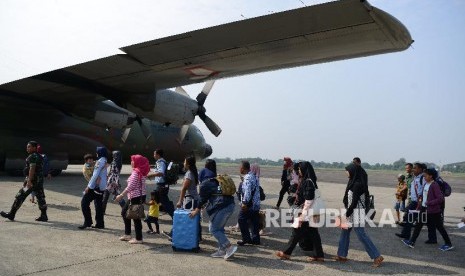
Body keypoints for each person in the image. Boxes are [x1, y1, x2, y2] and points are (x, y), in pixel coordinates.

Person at [334, 163, 384, 267]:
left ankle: (377, 256)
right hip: (352, 212)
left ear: (353, 171)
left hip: (356, 213)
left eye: (347, 170)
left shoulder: (357, 184)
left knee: (361, 235)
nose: (346, 172)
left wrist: (346, 214)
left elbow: (354, 202)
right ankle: (341, 255)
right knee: (345, 232)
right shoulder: (353, 182)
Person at [276, 161, 324, 262]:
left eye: (299, 169)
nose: (298, 171)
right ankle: (319, 255)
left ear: (304, 169)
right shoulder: (310, 180)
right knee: (313, 233)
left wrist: (303, 214)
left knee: (296, 232)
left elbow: (308, 200)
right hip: (311, 213)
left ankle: (286, 253)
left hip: (306, 212)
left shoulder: (308, 181)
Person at [190, 159, 238, 260]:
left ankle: (229, 247)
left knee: (214, 229)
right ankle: (221, 250)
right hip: (229, 205)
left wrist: (196, 211)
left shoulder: (205, 183)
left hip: (222, 207)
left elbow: (202, 199)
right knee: (219, 229)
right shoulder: (217, 179)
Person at [402, 169, 454, 251]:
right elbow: (424, 196)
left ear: (431, 176)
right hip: (424, 209)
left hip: (433, 211)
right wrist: (420, 204)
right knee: (418, 225)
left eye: (425, 175)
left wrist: (429, 202)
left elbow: (440, 198)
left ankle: (448, 244)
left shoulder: (434, 185)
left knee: (440, 227)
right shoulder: (426, 184)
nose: (424, 177)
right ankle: (412, 242)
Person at [1, 141, 48, 222]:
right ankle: (44, 216)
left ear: (34, 148)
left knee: (20, 196)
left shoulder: (32, 156)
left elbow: (32, 169)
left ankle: (11, 214)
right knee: (40, 197)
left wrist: (28, 181)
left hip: (32, 181)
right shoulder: (39, 156)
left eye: (29, 147)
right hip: (39, 181)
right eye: (27, 147)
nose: (27, 148)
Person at [115, 154, 150, 244]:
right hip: (138, 196)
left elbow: (131, 186)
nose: (131, 162)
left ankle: (138, 238)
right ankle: (128, 234)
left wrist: (121, 195)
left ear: (137, 162)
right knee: (125, 213)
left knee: (135, 217)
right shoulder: (140, 171)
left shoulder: (136, 172)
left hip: (136, 197)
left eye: (133, 161)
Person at [78, 147, 108, 229]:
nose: (96, 154)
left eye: (97, 152)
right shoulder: (104, 160)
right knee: (98, 205)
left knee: (84, 203)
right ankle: (100, 224)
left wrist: (89, 186)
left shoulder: (99, 162)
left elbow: (95, 175)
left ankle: (87, 222)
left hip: (95, 187)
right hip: (101, 187)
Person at [395, 162, 426, 240]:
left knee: (412, 219)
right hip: (413, 201)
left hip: (418, 202)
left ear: (420, 169)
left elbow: (424, 191)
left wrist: (420, 201)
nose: (413, 169)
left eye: (415, 168)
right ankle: (405, 234)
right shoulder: (415, 177)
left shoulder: (423, 178)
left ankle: (409, 237)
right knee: (407, 217)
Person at [147, 149, 175, 228]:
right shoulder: (162, 162)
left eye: (154, 154)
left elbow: (161, 173)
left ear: (158, 155)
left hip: (161, 185)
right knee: (155, 199)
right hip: (161, 185)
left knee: (164, 202)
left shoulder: (160, 162)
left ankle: (175, 216)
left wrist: (150, 175)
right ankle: (150, 217)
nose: (153, 155)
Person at [176, 155, 202, 240]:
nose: (183, 163)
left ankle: (192, 236)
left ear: (188, 164)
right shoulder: (193, 172)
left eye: (184, 162)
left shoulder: (189, 174)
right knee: (195, 219)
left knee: (189, 218)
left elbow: (184, 188)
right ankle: (198, 236)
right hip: (194, 198)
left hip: (191, 200)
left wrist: (180, 201)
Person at [237, 160, 261, 246]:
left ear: (243, 168)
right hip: (256, 204)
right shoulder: (254, 176)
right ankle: (256, 239)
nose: (239, 169)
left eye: (240, 167)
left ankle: (246, 238)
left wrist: (244, 203)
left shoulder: (247, 178)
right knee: (254, 221)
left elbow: (247, 192)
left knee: (241, 219)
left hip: (249, 205)